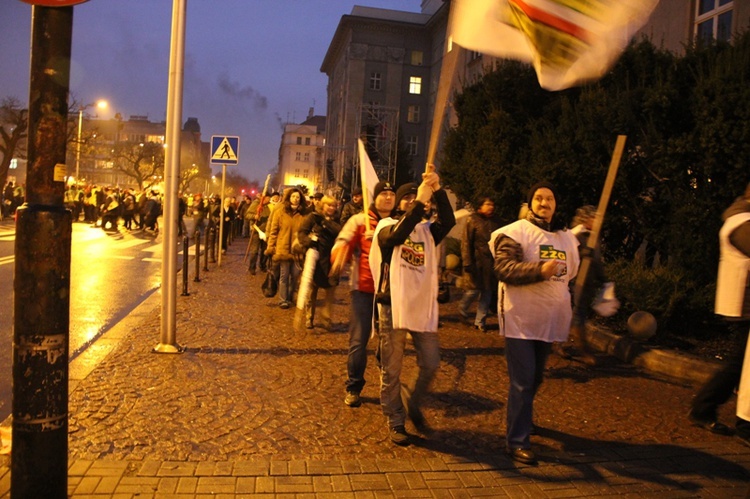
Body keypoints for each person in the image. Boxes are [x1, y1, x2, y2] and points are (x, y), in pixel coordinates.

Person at [490, 181, 580, 465]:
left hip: (548, 321)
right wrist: (539, 270)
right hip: (520, 319)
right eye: (539, 198)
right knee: (523, 380)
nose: (545, 203)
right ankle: (516, 441)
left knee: (536, 378)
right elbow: (504, 268)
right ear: (530, 204)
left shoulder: (565, 239)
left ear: (556, 205)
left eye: (550, 198)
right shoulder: (515, 233)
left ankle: (523, 417)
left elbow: (570, 275)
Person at [369, 168, 456, 446]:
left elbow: (449, 221)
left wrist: (437, 189)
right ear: (399, 203)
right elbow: (396, 237)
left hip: (421, 306)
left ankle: (413, 402)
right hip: (393, 306)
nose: (412, 202)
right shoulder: (385, 227)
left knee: (430, 363)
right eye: (406, 198)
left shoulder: (429, 233)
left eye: (416, 199)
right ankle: (395, 419)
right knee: (391, 369)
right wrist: (419, 201)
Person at [690, 182, 750, 446]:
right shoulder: (741, 220)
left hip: (742, 303)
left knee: (740, 364)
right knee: (738, 364)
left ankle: (705, 408)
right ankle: (704, 409)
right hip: (743, 304)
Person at [332, 181, 396, 408]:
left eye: (391, 194)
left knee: (387, 342)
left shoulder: (400, 223)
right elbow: (342, 241)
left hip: (391, 292)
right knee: (359, 341)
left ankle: (387, 383)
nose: (388, 198)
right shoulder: (360, 221)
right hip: (363, 289)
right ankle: (354, 386)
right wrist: (341, 254)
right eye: (384, 194)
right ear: (375, 198)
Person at [297, 196, 341, 329]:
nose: (331, 208)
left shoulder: (337, 220)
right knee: (312, 289)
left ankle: (326, 317)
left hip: (331, 258)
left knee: (330, 289)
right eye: (329, 205)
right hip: (315, 256)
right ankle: (309, 317)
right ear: (323, 206)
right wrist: (308, 242)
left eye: (333, 206)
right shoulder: (313, 217)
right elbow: (302, 232)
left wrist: (325, 223)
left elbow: (339, 231)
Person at [459, 197, 501, 332]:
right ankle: (462, 309)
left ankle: (480, 322)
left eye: (492, 204)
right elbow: (466, 242)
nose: (491, 207)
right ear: (480, 206)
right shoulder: (473, 220)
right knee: (473, 291)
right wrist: (467, 262)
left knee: (487, 292)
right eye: (487, 204)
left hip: (491, 264)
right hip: (476, 263)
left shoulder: (496, 222)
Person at [266, 187, 307, 309]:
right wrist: (270, 246)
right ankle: (283, 299)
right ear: (289, 198)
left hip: (297, 250)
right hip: (282, 248)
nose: (295, 199)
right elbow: (273, 231)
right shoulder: (280, 212)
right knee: (284, 275)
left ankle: (290, 296)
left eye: (298, 197)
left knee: (295, 275)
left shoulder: (304, 214)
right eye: (293, 197)